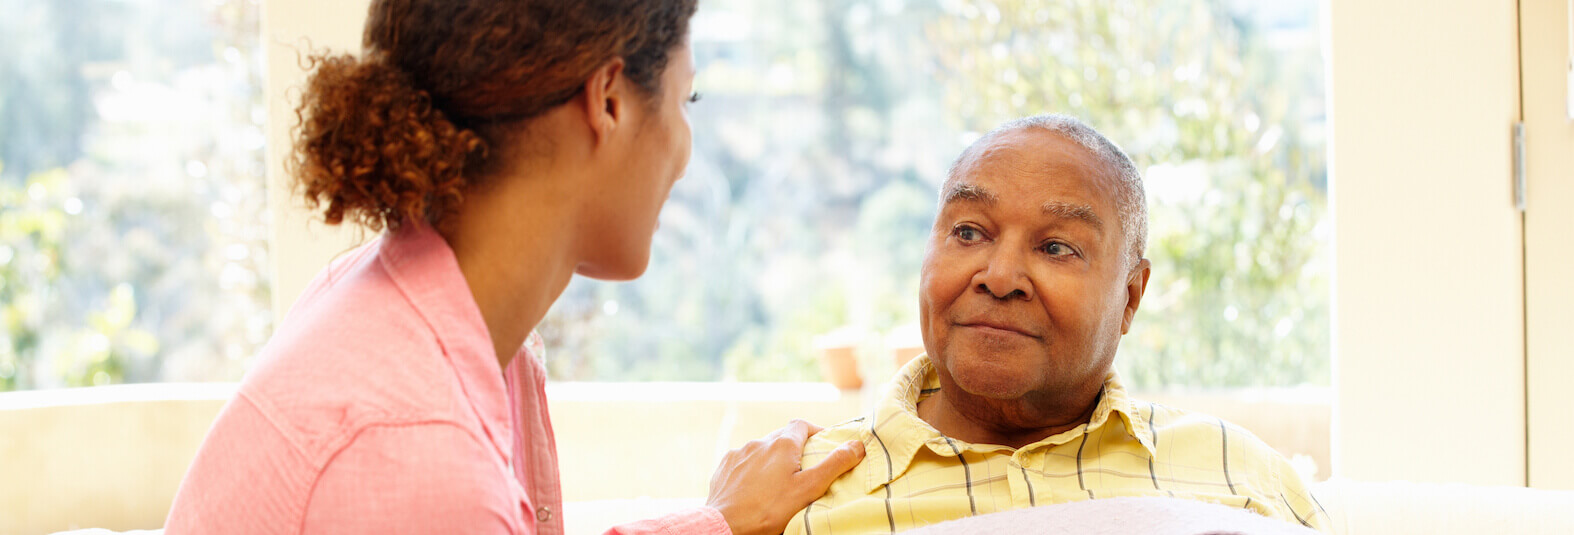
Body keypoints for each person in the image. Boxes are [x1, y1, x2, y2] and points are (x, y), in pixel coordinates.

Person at [164, 1, 864, 533]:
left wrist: (714, 521)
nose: (685, 149)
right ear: (610, 100)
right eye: (687, 101)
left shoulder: (428, 320)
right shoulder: (415, 455)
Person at [785, 115, 1330, 534]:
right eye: (970, 233)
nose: (1000, 278)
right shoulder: (794, 488)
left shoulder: (1242, 478)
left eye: (1056, 247)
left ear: (1130, 299)